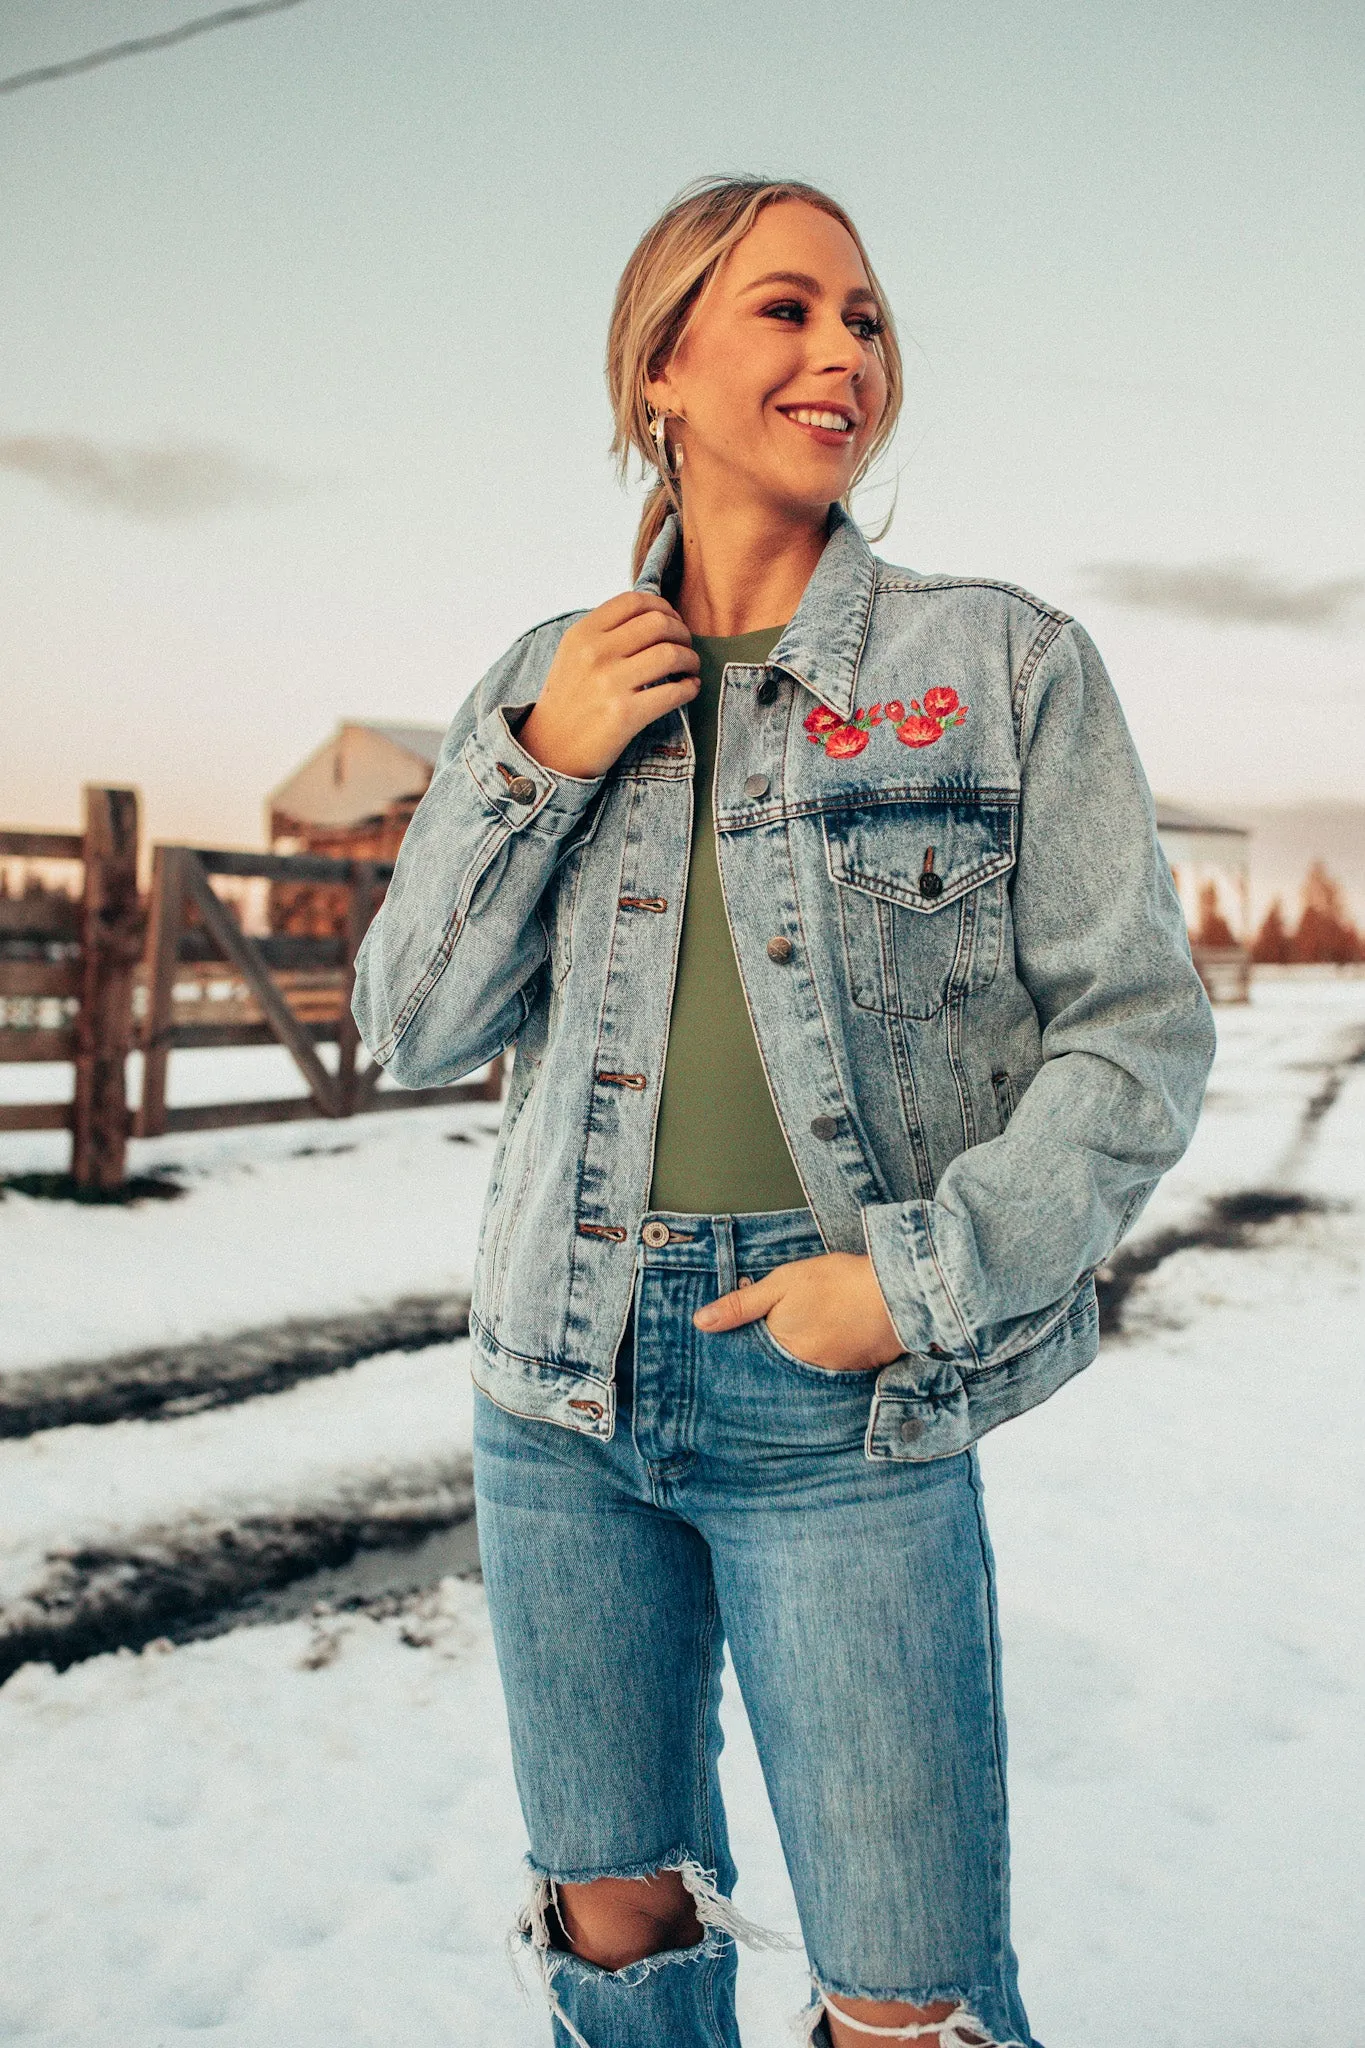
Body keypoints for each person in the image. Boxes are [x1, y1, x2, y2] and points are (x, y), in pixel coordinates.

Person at [352, 175, 1215, 2048]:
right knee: (614, 1923)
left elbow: (1137, 1037)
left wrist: (917, 1282)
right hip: (552, 1381)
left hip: (834, 1382)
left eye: (870, 320)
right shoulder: (543, 681)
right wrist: (536, 762)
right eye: (789, 311)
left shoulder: (1002, 669)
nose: (845, 353)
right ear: (661, 365)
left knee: (911, 1997)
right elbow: (409, 1020)